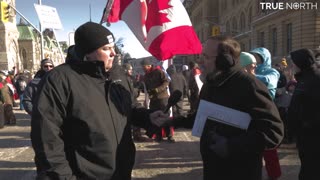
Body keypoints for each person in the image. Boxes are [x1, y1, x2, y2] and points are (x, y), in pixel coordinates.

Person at [31, 21, 167, 180]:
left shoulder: (118, 75)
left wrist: (147, 117)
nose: (113, 53)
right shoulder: (59, 81)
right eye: (106, 49)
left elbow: (128, 107)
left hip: (121, 172)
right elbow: (47, 140)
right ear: (87, 53)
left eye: (113, 47)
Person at [155, 35, 284, 180]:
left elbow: (274, 132)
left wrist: (231, 146)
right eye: (200, 55)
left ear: (225, 60)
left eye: (205, 56)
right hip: (212, 169)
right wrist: (172, 121)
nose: (199, 61)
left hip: (241, 173)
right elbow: (201, 116)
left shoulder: (249, 86)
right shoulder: (211, 84)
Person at [287, 48, 320, 180]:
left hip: (313, 135)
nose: (291, 66)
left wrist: (308, 124)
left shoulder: (315, 79)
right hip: (304, 135)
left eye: (293, 63)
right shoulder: (303, 79)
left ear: (301, 63)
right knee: (307, 166)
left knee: (311, 170)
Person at [250, 47, 281, 180]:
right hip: (251, 113)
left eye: (258, 56)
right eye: (254, 56)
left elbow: (269, 81)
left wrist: (249, 75)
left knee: (269, 149)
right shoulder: (250, 70)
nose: (255, 59)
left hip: (267, 113)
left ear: (264, 58)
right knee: (251, 148)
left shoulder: (272, 71)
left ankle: (274, 175)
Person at [141, 58, 175, 142]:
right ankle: (158, 136)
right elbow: (145, 88)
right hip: (153, 100)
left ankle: (169, 136)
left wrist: (157, 89)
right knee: (156, 118)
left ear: (149, 66)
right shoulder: (145, 76)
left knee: (165, 117)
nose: (143, 69)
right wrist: (142, 89)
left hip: (162, 98)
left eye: (144, 67)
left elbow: (166, 81)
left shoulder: (158, 71)